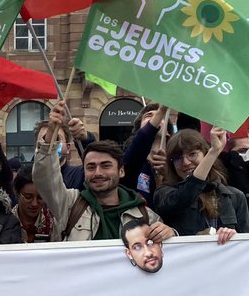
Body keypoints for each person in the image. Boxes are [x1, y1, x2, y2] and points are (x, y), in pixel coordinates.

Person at [33, 103, 175, 243]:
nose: (98, 172)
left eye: (106, 166)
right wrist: (51, 133)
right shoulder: (70, 205)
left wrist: (171, 234)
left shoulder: (144, 215)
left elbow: (168, 255)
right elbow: (45, 178)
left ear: (121, 171)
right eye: (90, 167)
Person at [154, 128, 249, 236]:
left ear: (205, 153)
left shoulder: (235, 196)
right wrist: (214, 152)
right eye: (177, 158)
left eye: (192, 154)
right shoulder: (164, 193)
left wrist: (233, 237)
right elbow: (185, 196)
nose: (185, 162)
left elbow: (248, 245)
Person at [13, 169, 53, 243]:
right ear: (16, 192)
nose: (34, 204)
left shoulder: (54, 223)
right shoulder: (6, 222)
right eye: (28, 197)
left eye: (40, 198)